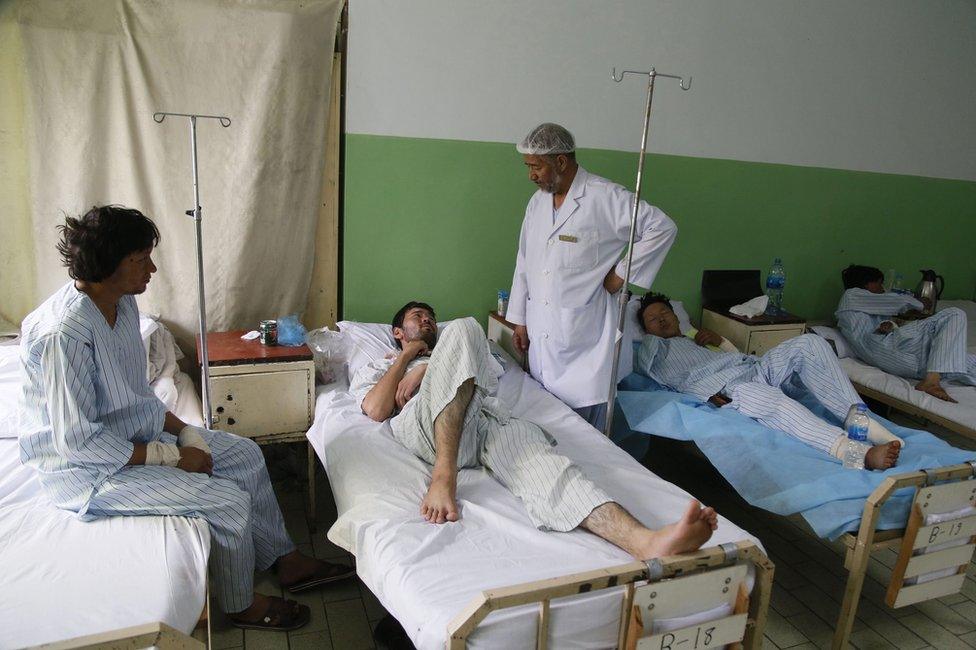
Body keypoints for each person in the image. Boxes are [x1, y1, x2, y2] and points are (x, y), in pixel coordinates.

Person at [18, 205, 354, 632]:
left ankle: (285, 560)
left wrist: (187, 432)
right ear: (106, 266)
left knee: (247, 455)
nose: (152, 268)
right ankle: (240, 605)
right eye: (140, 259)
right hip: (88, 472)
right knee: (227, 502)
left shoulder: (121, 308)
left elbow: (136, 396)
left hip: (134, 436)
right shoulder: (64, 335)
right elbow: (78, 442)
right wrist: (172, 457)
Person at [350, 301, 718, 560]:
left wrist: (429, 368)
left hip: (485, 421)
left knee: (553, 471)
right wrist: (406, 358)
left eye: (431, 317)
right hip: (428, 428)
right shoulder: (379, 363)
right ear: (398, 331)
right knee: (464, 326)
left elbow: (483, 381)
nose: (429, 321)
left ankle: (645, 541)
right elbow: (376, 409)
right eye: (418, 318)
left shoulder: (465, 348)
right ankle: (443, 476)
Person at [507, 123, 677, 431]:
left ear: (561, 161)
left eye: (536, 166)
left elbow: (662, 227)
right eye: (528, 166)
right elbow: (524, 261)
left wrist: (620, 275)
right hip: (544, 343)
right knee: (549, 437)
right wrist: (520, 319)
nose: (530, 174)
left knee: (590, 448)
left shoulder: (605, 197)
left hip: (586, 349)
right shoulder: (537, 203)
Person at [635, 293, 902, 470]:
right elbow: (664, 375)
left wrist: (720, 341)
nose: (660, 318)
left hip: (753, 368)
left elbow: (737, 357)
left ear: (675, 316)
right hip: (729, 387)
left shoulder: (697, 339)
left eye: (664, 312)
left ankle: (859, 419)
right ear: (646, 329)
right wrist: (707, 394)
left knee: (809, 342)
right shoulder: (653, 347)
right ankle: (856, 453)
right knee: (767, 399)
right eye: (651, 318)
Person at [837, 265, 976, 402]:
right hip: (888, 347)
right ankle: (932, 381)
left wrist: (889, 326)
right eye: (880, 283)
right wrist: (920, 303)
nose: (882, 289)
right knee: (954, 314)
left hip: (905, 359)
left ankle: (934, 375)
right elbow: (896, 301)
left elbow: (881, 326)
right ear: (867, 284)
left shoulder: (866, 306)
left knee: (967, 361)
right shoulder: (851, 295)